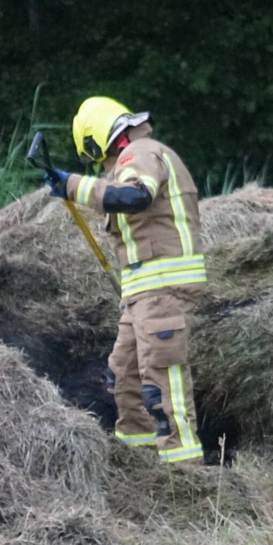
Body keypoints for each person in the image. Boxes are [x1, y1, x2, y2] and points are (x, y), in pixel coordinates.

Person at [44, 97, 206, 464]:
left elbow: (134, 196)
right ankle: (138, 466)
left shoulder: (140, 153)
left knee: (162, 382)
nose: (102, 167)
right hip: (143, 292)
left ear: (97, 141)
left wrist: (74, 185)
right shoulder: (138, 156)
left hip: (163, 288)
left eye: (97, 158)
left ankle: (187, 479)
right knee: (125, 377)